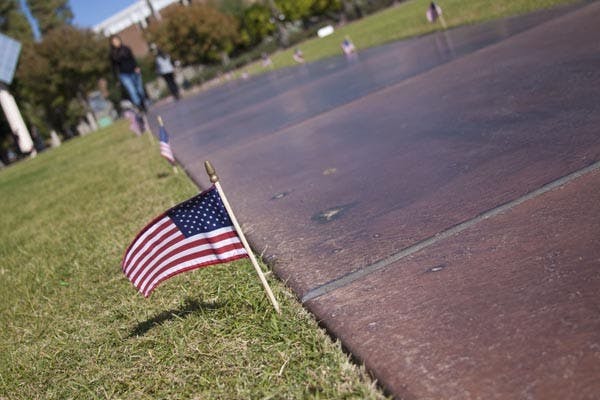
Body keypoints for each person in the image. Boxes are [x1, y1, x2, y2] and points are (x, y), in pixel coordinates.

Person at [109, 35, 147, 112]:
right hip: (124, 75)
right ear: (112, 44)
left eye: (117, 40)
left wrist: (137, 67)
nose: (116, 43)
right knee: (132, 91)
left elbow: (133, 59)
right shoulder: (112, 54)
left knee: (140, 90)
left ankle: (143, 103)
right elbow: (114, 68)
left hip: (134, 71)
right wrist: (116, 79)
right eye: (114, 42)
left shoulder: (126, 49)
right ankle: (139, 106)